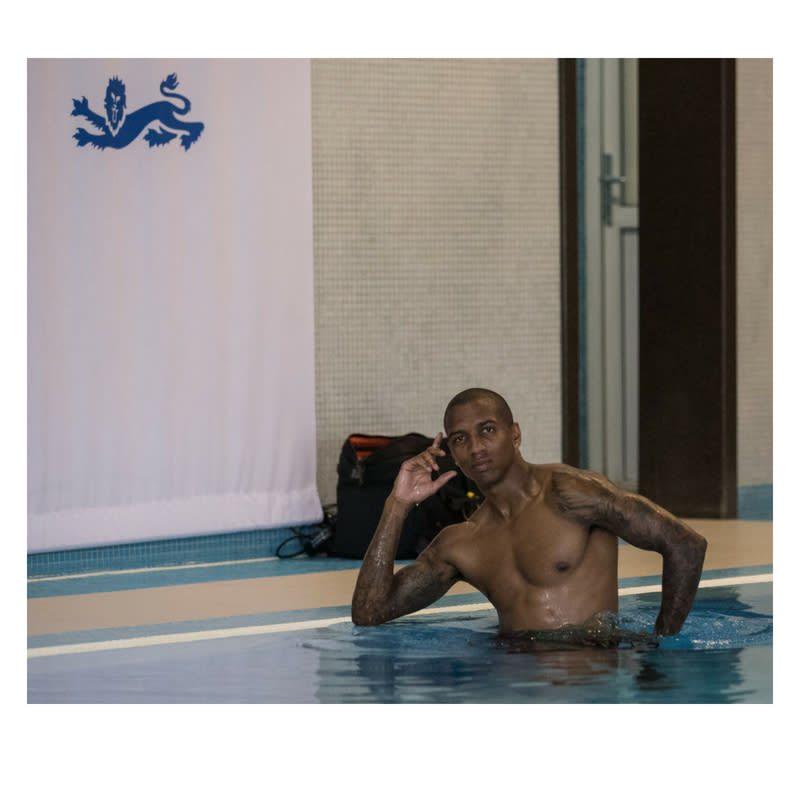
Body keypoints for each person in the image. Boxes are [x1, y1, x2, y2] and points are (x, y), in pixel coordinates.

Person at [351, 387, 707, 639]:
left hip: (586, 685)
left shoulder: (572, 493)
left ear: (515, 434)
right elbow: (370, 613)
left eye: (487, 430)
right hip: (509, 682)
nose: (475, 447)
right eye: (460, 439)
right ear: (452, 454)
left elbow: (685, 544)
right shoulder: (460, 543)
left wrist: (663, 648)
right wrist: (396, 505)